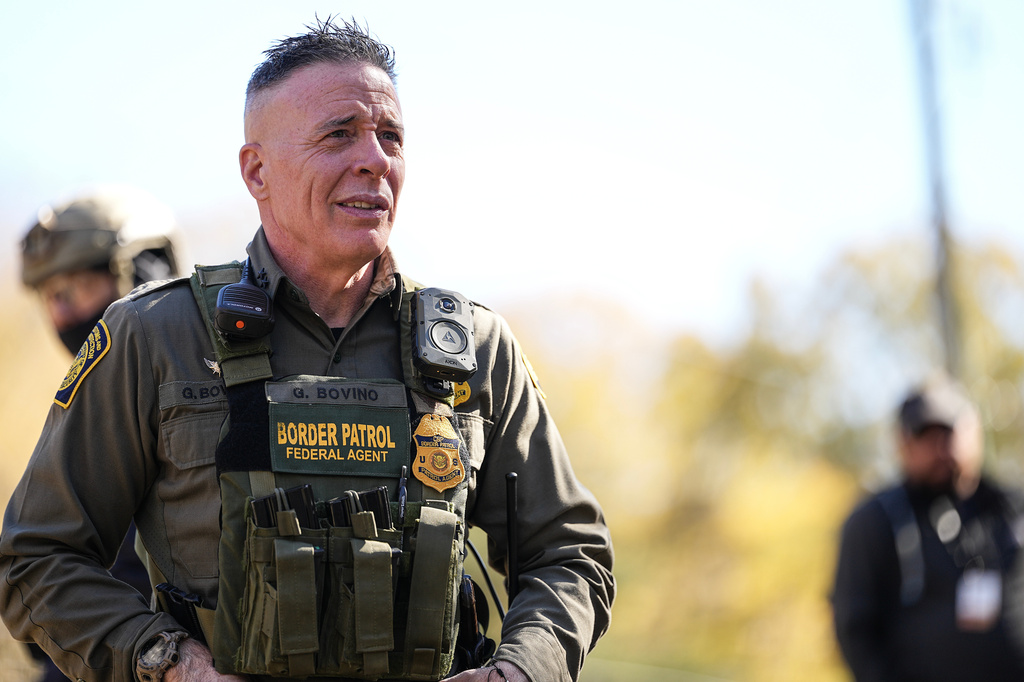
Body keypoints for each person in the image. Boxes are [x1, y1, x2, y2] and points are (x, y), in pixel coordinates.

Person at [0, 17, 614, 682]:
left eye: (391, 138)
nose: (375, 160)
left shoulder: (472, 349)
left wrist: (522, 670)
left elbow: (569, 555)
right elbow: (36, 559)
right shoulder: (156, 336)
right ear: (258, 171)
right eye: (339, 134)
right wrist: (171, 664)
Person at [16, 187, 180, 681]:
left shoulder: (211, 405)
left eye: (73, 289)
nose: (60, 316)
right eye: (49, 298)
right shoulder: (78, 423)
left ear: (142, 273)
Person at [831, 374, 1024, 681]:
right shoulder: (875, 522)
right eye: (925, 435)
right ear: (903, 443)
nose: (939, 447)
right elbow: (856, 631)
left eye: (948, 431)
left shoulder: (1012, 509)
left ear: (974, 430)